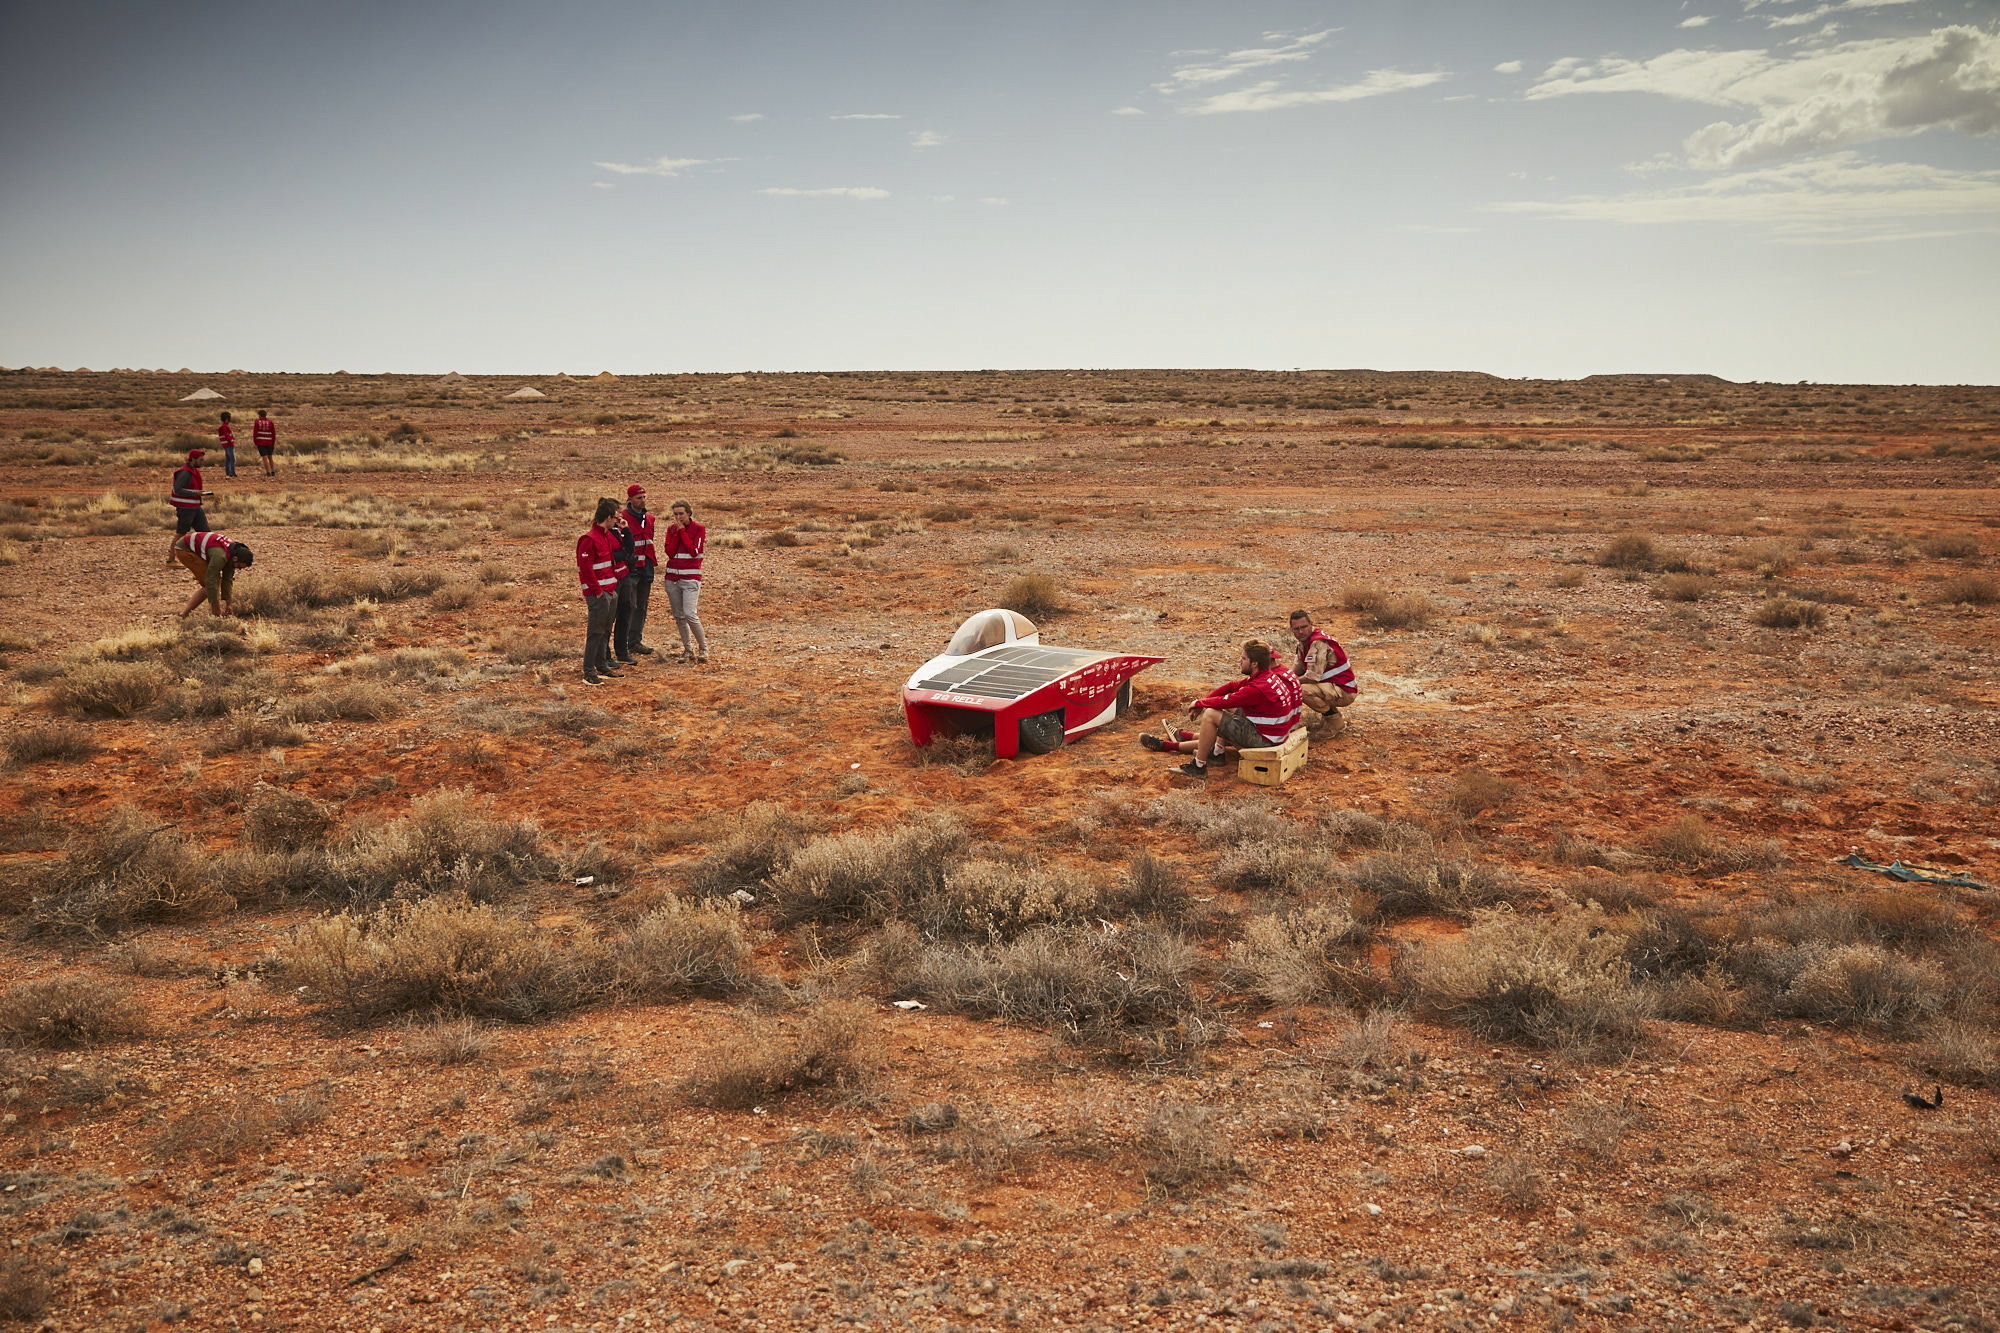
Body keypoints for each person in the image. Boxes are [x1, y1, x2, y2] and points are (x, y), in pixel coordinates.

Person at [1143, 639, 1301, 778]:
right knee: (1224, 711)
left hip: (1266, 741)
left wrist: (1200, 704)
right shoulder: (1268, 676)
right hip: (1272, 733)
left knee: (1212, 714)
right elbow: (1232, 687)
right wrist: (1204, 701)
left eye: (1243, 658)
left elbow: (1226, 701)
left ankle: (1198, 766)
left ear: (1254, 663)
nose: (1240, 660)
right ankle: (1212, 751)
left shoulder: (1256, 688)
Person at [576, 498, 624, 684]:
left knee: (605, 631)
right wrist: (597, 592)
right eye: (615, 517)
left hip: (610, 591)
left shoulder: (605, 535)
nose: (617, 520)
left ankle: (601, 665)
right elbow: (586, 569)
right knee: (595, 632)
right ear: (607, 517)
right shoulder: (589, 539)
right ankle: (589, 671)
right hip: (599, 594)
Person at [1288, 608, 1359, 732]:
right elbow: (1297, 669)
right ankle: (1332, 718)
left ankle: (1335, 723)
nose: (1301, 631)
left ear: (1311, 625)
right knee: (1294, 685)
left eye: (1304, 627)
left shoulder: (1317, 643)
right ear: (1291, 630)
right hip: (1334, 686)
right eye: (1296, 629)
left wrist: (1288, 683)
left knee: (1301, 690)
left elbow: (1312, 677)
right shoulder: (1303, 644)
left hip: (1345, 691)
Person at [660, 498, 708, 664]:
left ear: (689, 513)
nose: (678, 517)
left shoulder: (698, 529)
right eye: (675, 514)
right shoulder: (670, 529)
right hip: (672, 578)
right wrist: (676, 532)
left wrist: (682, 532)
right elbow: (670, 552)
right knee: (679, 616)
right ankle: (688, 650)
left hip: (690, 579)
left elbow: (694, 551)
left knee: (690, 614)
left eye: (681, 513)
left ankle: (703, 648)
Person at [173, 530, 253, 618]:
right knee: (209, 585)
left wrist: (228, 604)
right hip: (184, 549)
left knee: (214, 583)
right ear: (235, 559)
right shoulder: (220, 556)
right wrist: (216, 609)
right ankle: (185, 614)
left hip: (197, 548)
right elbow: (210, 580)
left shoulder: (232, 554)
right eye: (239, 566)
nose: (240, 569)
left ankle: (185, 614)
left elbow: (227, 579)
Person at [617, 484, 657, 657]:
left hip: (646, 568)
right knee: (629, 606)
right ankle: (623, 643)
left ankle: (635, 641)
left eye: (644, 497)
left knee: (641, 606)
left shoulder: (650, 518)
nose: (642, 500)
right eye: (639, 498)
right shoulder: (622, 518)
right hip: (630, 569)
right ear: (630, 499)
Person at [167, 448, 211, 563]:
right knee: (181, 534)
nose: (202, 462)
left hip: (195, 508)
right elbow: (177, 489)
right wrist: (195, 493)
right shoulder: (185, 472)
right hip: (186, 509)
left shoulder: (193, 471)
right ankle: (171, 560)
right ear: (193, 459)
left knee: (205, 533)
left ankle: (207, 558)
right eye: (200, 460)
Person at [252, 409, 277, 477]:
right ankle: (273, 471)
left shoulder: (257, 422)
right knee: (270, 457)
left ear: (259, 415)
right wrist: (273, 442)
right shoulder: (270, 422)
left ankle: (268, 472)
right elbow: (273, 433)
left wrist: (255, 442)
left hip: (261, 442)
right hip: (270, 442)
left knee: (264, 457)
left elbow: (255, 433)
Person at [217, 411, 237, 479]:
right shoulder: (224, 426)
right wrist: (232, 442)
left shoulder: (223, 426)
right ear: (227, 419)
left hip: (225, 444)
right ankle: (232, 473)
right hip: (229, 444)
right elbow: (227, 436)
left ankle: (228, 472)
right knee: (232, 459)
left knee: (228, 459)